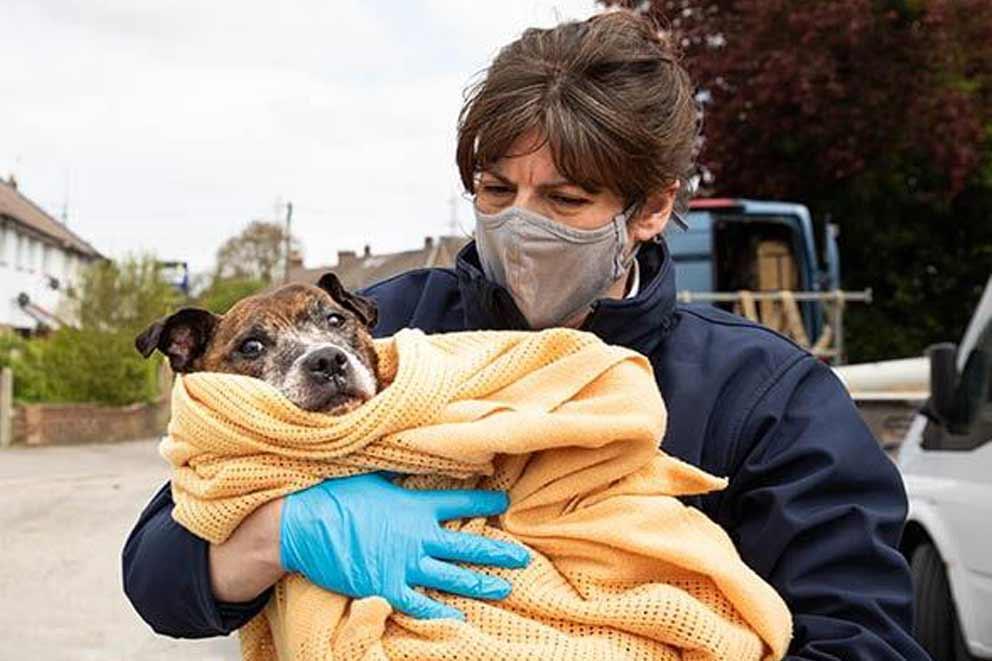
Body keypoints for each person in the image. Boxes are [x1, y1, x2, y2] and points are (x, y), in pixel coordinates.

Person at [123, 10, 928, 659]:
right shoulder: (387, 332)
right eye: (495, 189)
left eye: (566, 199)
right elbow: (159, 570)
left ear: (651, 208)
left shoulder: (763, 396)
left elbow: (863, 637)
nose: (520, 224)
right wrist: (285, 533)